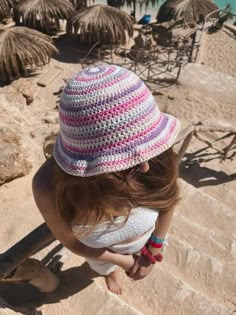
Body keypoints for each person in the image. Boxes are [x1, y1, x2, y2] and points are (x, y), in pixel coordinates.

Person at [32, 65, 181, 295]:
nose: (145, 165)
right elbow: (73, 243)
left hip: (148, 242)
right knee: (104, 266)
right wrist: (124, 263)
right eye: (127, 162)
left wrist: (154, 248)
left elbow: (168, 200)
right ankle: (109, 272)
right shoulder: (47, 188)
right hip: (102, 255)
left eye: (145, 150)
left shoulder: (155, 153)